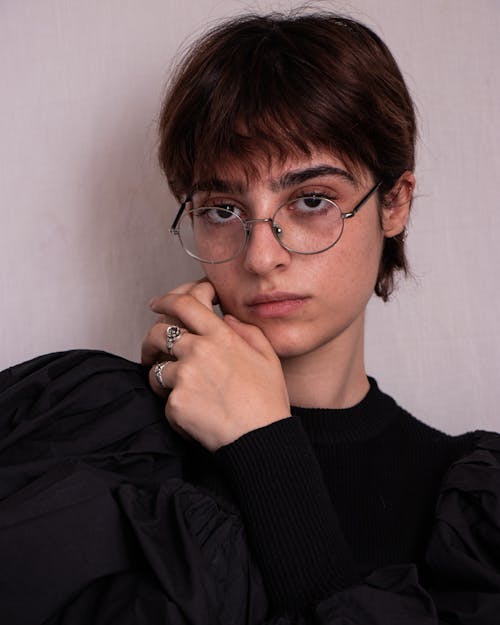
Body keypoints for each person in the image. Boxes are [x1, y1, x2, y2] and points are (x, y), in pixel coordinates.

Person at [0, 10, 499, 625]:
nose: (262, 256)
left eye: (312, 200)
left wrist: (264, 448)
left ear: (393, 203)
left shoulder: (473, 511)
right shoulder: (90, 431)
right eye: (223, 210)